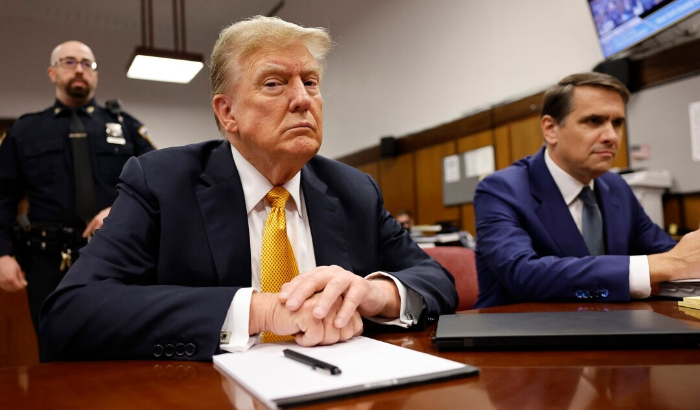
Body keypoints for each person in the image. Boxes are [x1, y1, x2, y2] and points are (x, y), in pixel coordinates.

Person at [40, 16, 458, 361]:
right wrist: (259, 311)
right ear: (227, 113)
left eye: (310, 82)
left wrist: (373, 293)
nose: (302, 99)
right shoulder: (161, 183)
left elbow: (435, 279)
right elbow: (72, 312)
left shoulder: (353, 189)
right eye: (274, 84)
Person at [473, 72, 700, 308]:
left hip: (612, 327)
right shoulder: (500, 189)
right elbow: (523, 274)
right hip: (517, 334)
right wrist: (664, 265)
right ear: (550, 129)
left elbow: (670, 252)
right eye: (594, 121)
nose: (611, 136)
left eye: (617, 123)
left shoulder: (616, 187)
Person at [0, 40, 155, 357]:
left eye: (88, 63)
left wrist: (118, 208)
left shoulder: (125, 126)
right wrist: (2, 254)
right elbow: (2, 196)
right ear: (52, 72)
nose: (80, 69)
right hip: (48, 260)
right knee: (55, 349)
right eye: (69, 62)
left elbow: (156, 184)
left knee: (122, 347)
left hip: (116, 254)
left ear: (95, 75)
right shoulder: (25, 130)